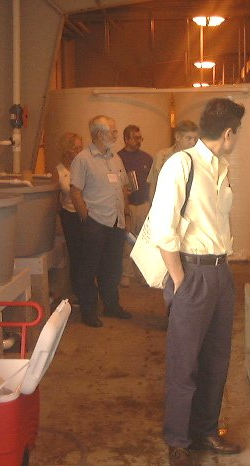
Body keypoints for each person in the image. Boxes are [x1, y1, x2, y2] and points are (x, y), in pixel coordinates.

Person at [149, 98, 245, 466]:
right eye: (237, 132)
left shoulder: (220, 168)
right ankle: (178, 440)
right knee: (184, 363)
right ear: (228, 133)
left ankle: (205, 431)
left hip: (221, 274)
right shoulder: (182, 164)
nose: (237, 138)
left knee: (217, 360)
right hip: (192, 273)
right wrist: (180, 281)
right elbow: (162, 228)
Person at [70, 115, 132, 328]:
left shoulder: (115, 158)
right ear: (98, 134)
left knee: (112, 267)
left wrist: (126, 214)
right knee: (89, 269)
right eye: (112, 131)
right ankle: (89, 312)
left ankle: (111, 306)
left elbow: (123, 187)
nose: (116, 135)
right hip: (95, 222)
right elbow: (75, 192)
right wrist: (86, 218)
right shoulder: (83, 159)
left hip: (116, 223)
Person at [117, 125, 153, 286]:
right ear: (126, 139)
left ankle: (143, 273)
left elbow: (152, 183)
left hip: (144, 205)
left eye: (140, 138)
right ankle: (126, 274)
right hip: (127, 206)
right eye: (135, 138)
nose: (139, 141)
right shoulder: (117, 159)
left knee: (144, 241)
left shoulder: (147, 158)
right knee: (127, 241)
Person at [56, 132, 83, 304]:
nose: (79, 151)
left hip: (87, 213)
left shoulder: (84, 166)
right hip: (69, 216)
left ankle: (87, 289)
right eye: (76, 147)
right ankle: (78, 292)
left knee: (88, 254)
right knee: (76, 255)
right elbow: (54, 199)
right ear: (67, 150)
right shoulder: (59, 171)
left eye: (81, 147)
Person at [147, 120, 199, 200]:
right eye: (189, 138)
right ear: (177, 137)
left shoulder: (198, 160)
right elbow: (153, 185)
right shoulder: (162, 156)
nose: (193, 142)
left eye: (195, 139)